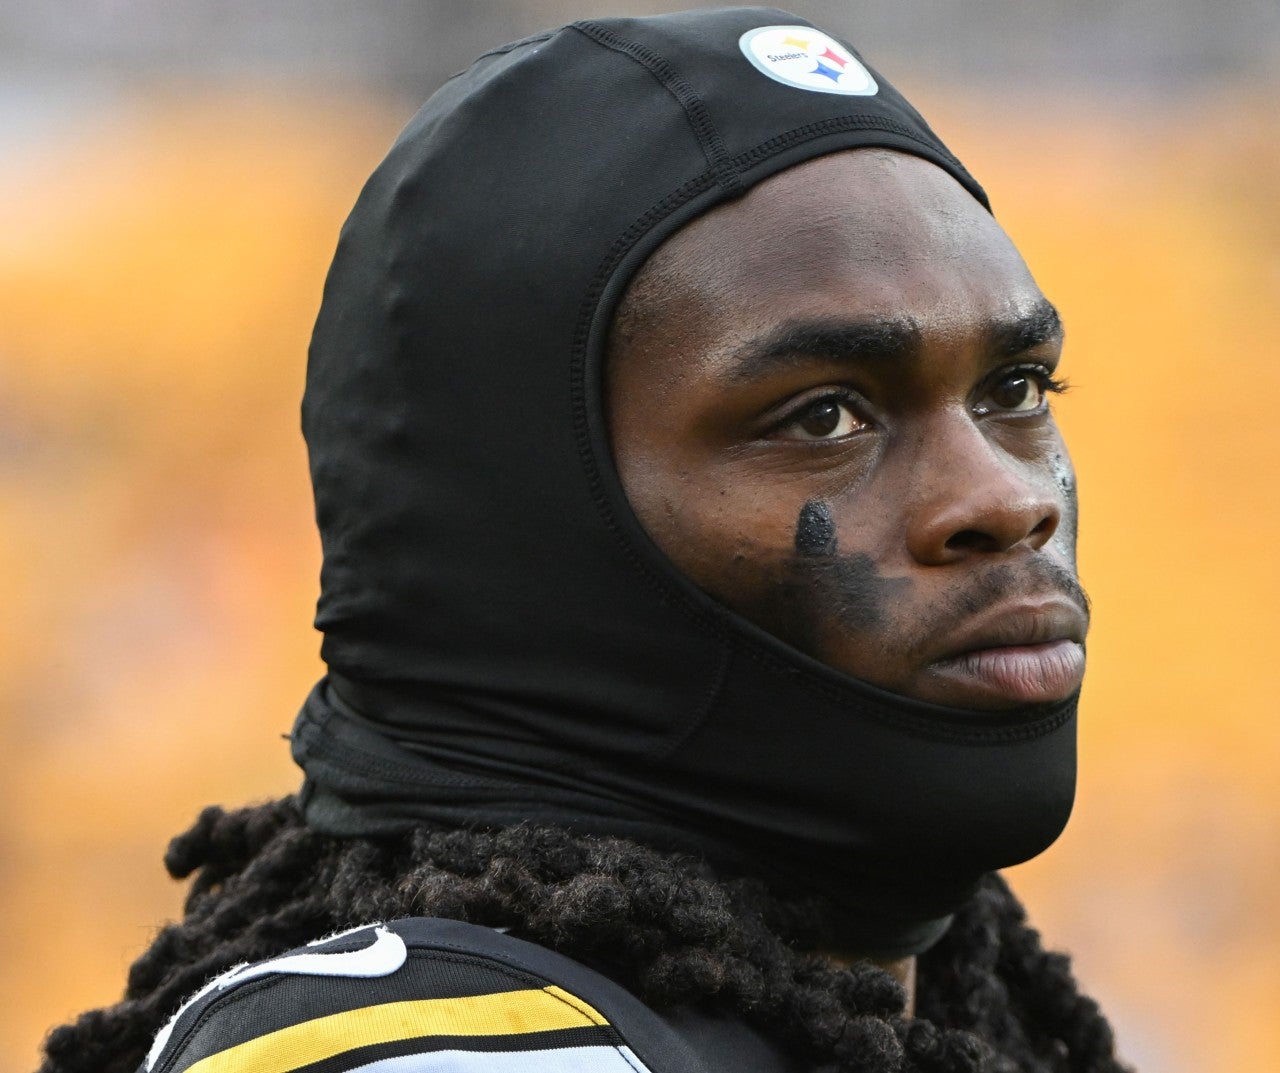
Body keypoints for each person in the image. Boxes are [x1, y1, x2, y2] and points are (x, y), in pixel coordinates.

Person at [40, 8, 1125, 1072]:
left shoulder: (961, 1013)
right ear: (527, 533)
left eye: (1014, 389)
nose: (1005, 498)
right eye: (823, 416)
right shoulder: (442, 1054)